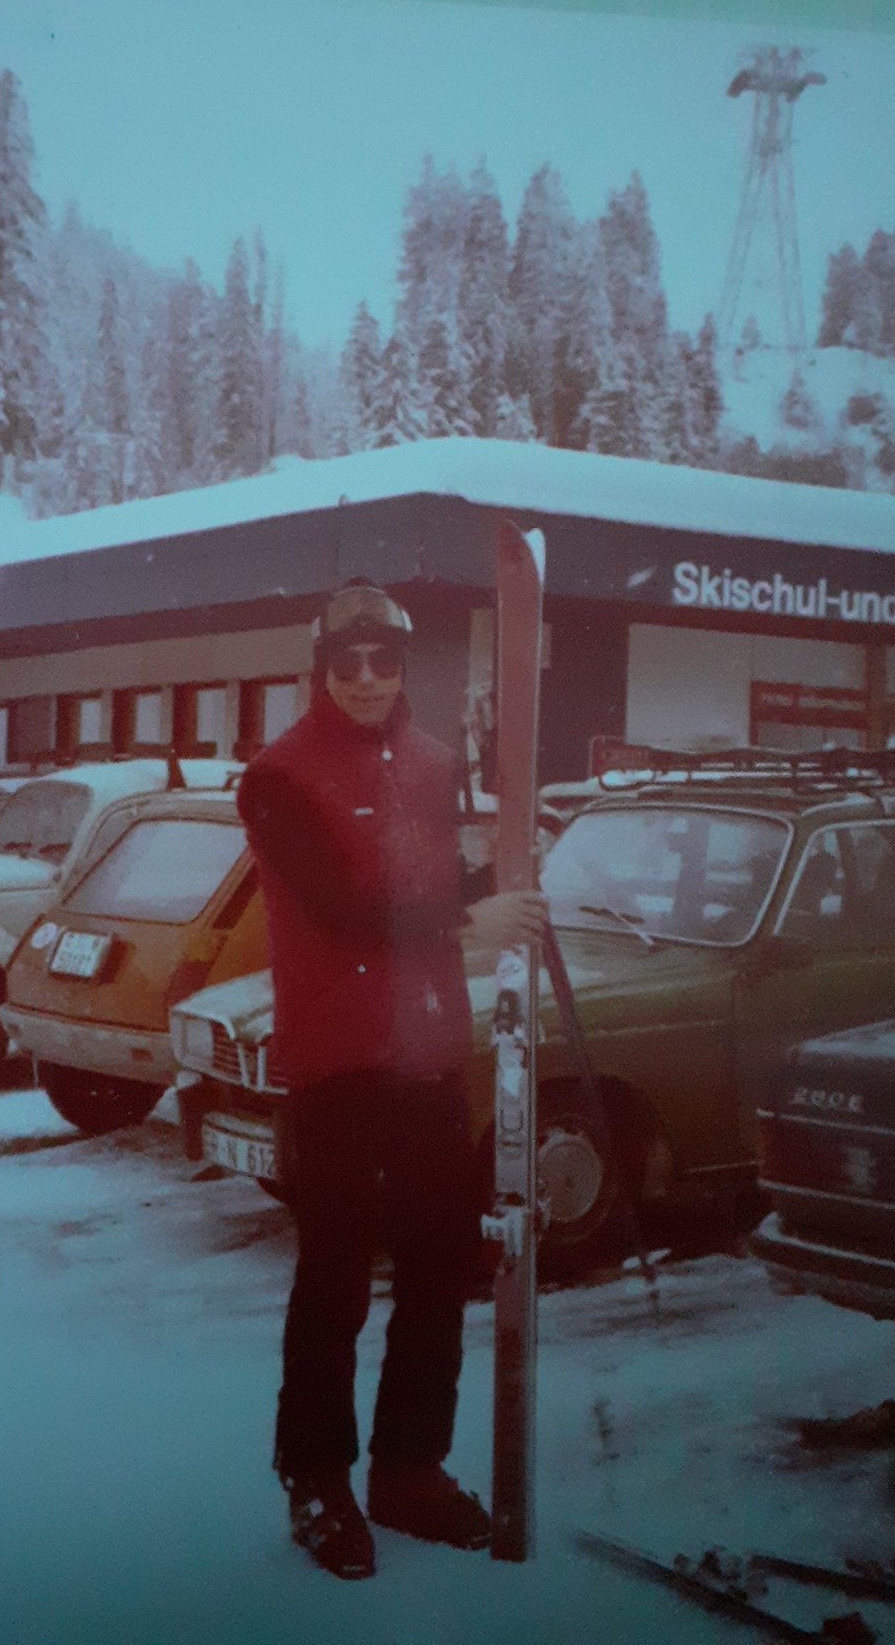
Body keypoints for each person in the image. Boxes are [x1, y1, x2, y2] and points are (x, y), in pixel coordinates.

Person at [236, 580, 548, 1579]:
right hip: (337, 1064)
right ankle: (315, 1479)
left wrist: (503, 878)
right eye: (348, 663)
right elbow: (339, 909)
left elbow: (429, 885)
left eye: (384, 661)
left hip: (427, 1057)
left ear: (404, 665)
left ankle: (409, 1469)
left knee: (435, 1269)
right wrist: (465, 920)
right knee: (334, 1279)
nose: (367, 680)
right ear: (322, 669)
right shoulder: (276, 776)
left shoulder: (432, 764)